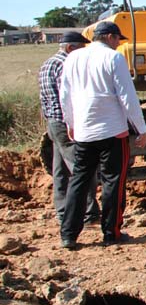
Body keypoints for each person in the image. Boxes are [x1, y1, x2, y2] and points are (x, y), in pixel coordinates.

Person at [59, 21, 146, 249]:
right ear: (109, 37)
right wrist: (141, 128)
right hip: (112, 132)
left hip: (84, 132)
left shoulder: (73, 58)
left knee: (79, 180)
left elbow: (65, 95)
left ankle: (68, 234)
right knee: (113, 182)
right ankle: (111, 232)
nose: (119, 44)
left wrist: (70, 122)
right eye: (118, 39)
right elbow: (127, 96)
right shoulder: (114, 58)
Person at [38, 31, 101, 229]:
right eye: (80, 49)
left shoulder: (47, 64)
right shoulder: (66, 64)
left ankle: (63, 211)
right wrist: (73, 123)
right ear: (70, 48)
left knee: (60, 170)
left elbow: (45, 98)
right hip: (65, 123)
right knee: (80, 167)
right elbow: (67, 98)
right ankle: (89, 214)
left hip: (53, 123)